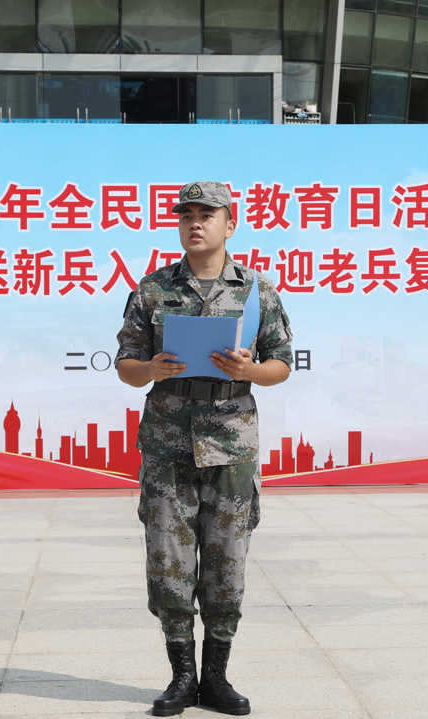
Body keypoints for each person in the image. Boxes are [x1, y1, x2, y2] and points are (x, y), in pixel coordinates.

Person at [115, 181, 293, 716]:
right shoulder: (153, 289)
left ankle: (216, 677)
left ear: (229, 224)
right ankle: (181, 677)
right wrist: (152, 368)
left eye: (207, 215)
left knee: (226, 561)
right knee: (168, 561)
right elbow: (126, 366)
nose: (195, 223)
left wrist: (250, 371)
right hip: (168, 440)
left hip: (230, 441)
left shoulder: (256, 290)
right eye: (186, 214)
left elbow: (282, 364)